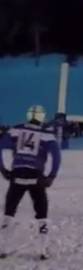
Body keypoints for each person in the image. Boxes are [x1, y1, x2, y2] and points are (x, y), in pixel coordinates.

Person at [0, 105, 61, 260]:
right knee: (41, 212)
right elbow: (56, 155)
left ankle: (3, 248)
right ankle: (42, 250)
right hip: (36, 175)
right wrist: (52, 175)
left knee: (9, 211)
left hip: (18, 173)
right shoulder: (46, 134)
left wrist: (3, 169)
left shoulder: (15, 130)